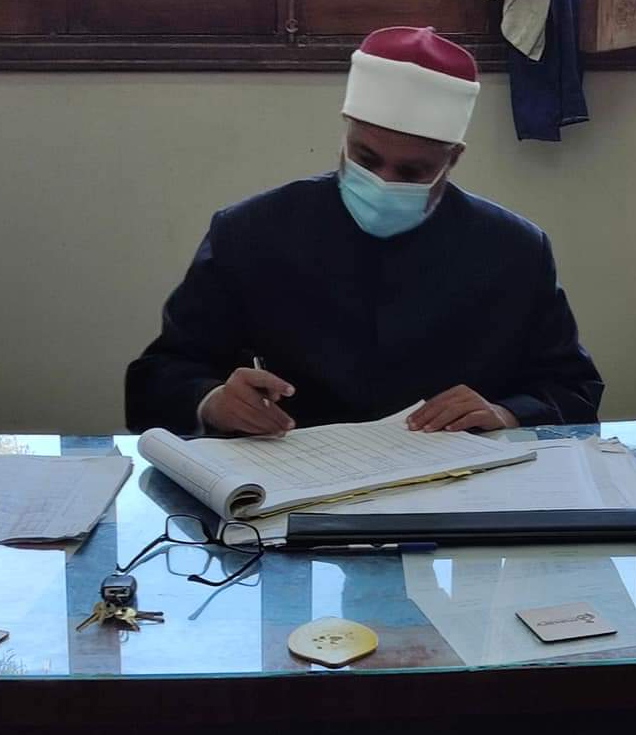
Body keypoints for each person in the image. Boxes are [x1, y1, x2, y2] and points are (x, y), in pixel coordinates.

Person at [125, 26, 603, 436]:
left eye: (412, 172)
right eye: (366, 159)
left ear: (452, 159)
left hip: (458, 486)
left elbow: (573, 388)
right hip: (295, 480)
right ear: (346, 134)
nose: (383, 183)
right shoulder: (251, 232)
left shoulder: (514, 250)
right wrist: (212, 401)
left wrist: (505, 414)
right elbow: (158, 376)